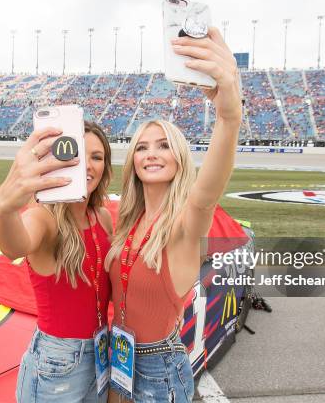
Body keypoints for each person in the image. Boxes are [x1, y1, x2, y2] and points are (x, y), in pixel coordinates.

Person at [106, 26, 242, 402]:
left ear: (179, 158)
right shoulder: (128, 222)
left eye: (164, 146)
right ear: (132, 160)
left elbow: (206, 195)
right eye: (143, 147)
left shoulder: (185, 222)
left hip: (158, 369)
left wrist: (228, 114)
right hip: (119, 357)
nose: (151, 153)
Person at [0, 121, 113, 402]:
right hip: (57, 362)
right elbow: (14, 246)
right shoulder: (43, 217)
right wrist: (4, 208)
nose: (88, 166)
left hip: (101, 353)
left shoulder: (102, 217)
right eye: (79, 156)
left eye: (97, 157)